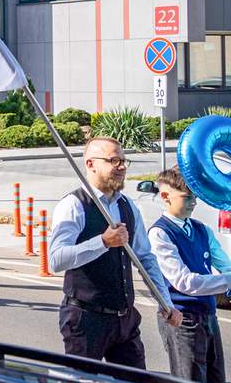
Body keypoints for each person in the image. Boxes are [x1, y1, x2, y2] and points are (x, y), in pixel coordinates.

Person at [48, 137, 181, 368]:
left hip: (125, 320)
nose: (122, 167)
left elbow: (145, 258)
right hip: (86, 319)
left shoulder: (128, 206)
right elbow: (56, 260)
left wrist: (165, 301)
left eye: (123, 160)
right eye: (114, 160)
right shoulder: (74, 205)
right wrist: (103, 242)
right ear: (91, 164)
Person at [148, 167, 230, 383]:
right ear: (165, 196)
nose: (194, 202)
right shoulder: (160, 233)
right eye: (187, 197)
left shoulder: (201, 229)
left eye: (195, 196)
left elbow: (225, 264)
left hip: (208, 315)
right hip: (182, 318)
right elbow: (185, 282)